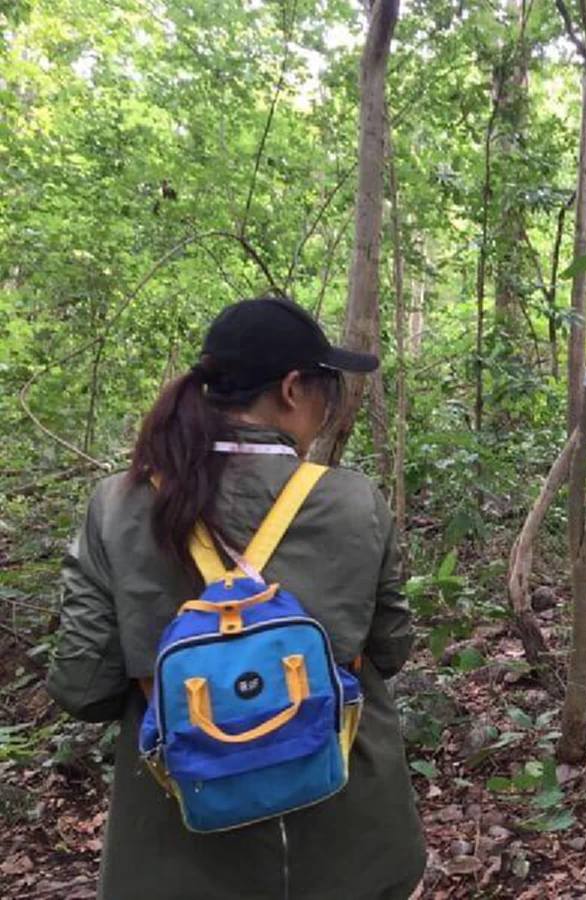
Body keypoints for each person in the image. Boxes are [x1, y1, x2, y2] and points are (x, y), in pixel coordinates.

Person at [47, 295, 426, 900]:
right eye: (331, 385)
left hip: (178, 847)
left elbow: (82, 687)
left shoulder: (116, 504)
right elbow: (391, 646)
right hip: (351, 838)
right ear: (294, 389)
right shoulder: (355, 502)